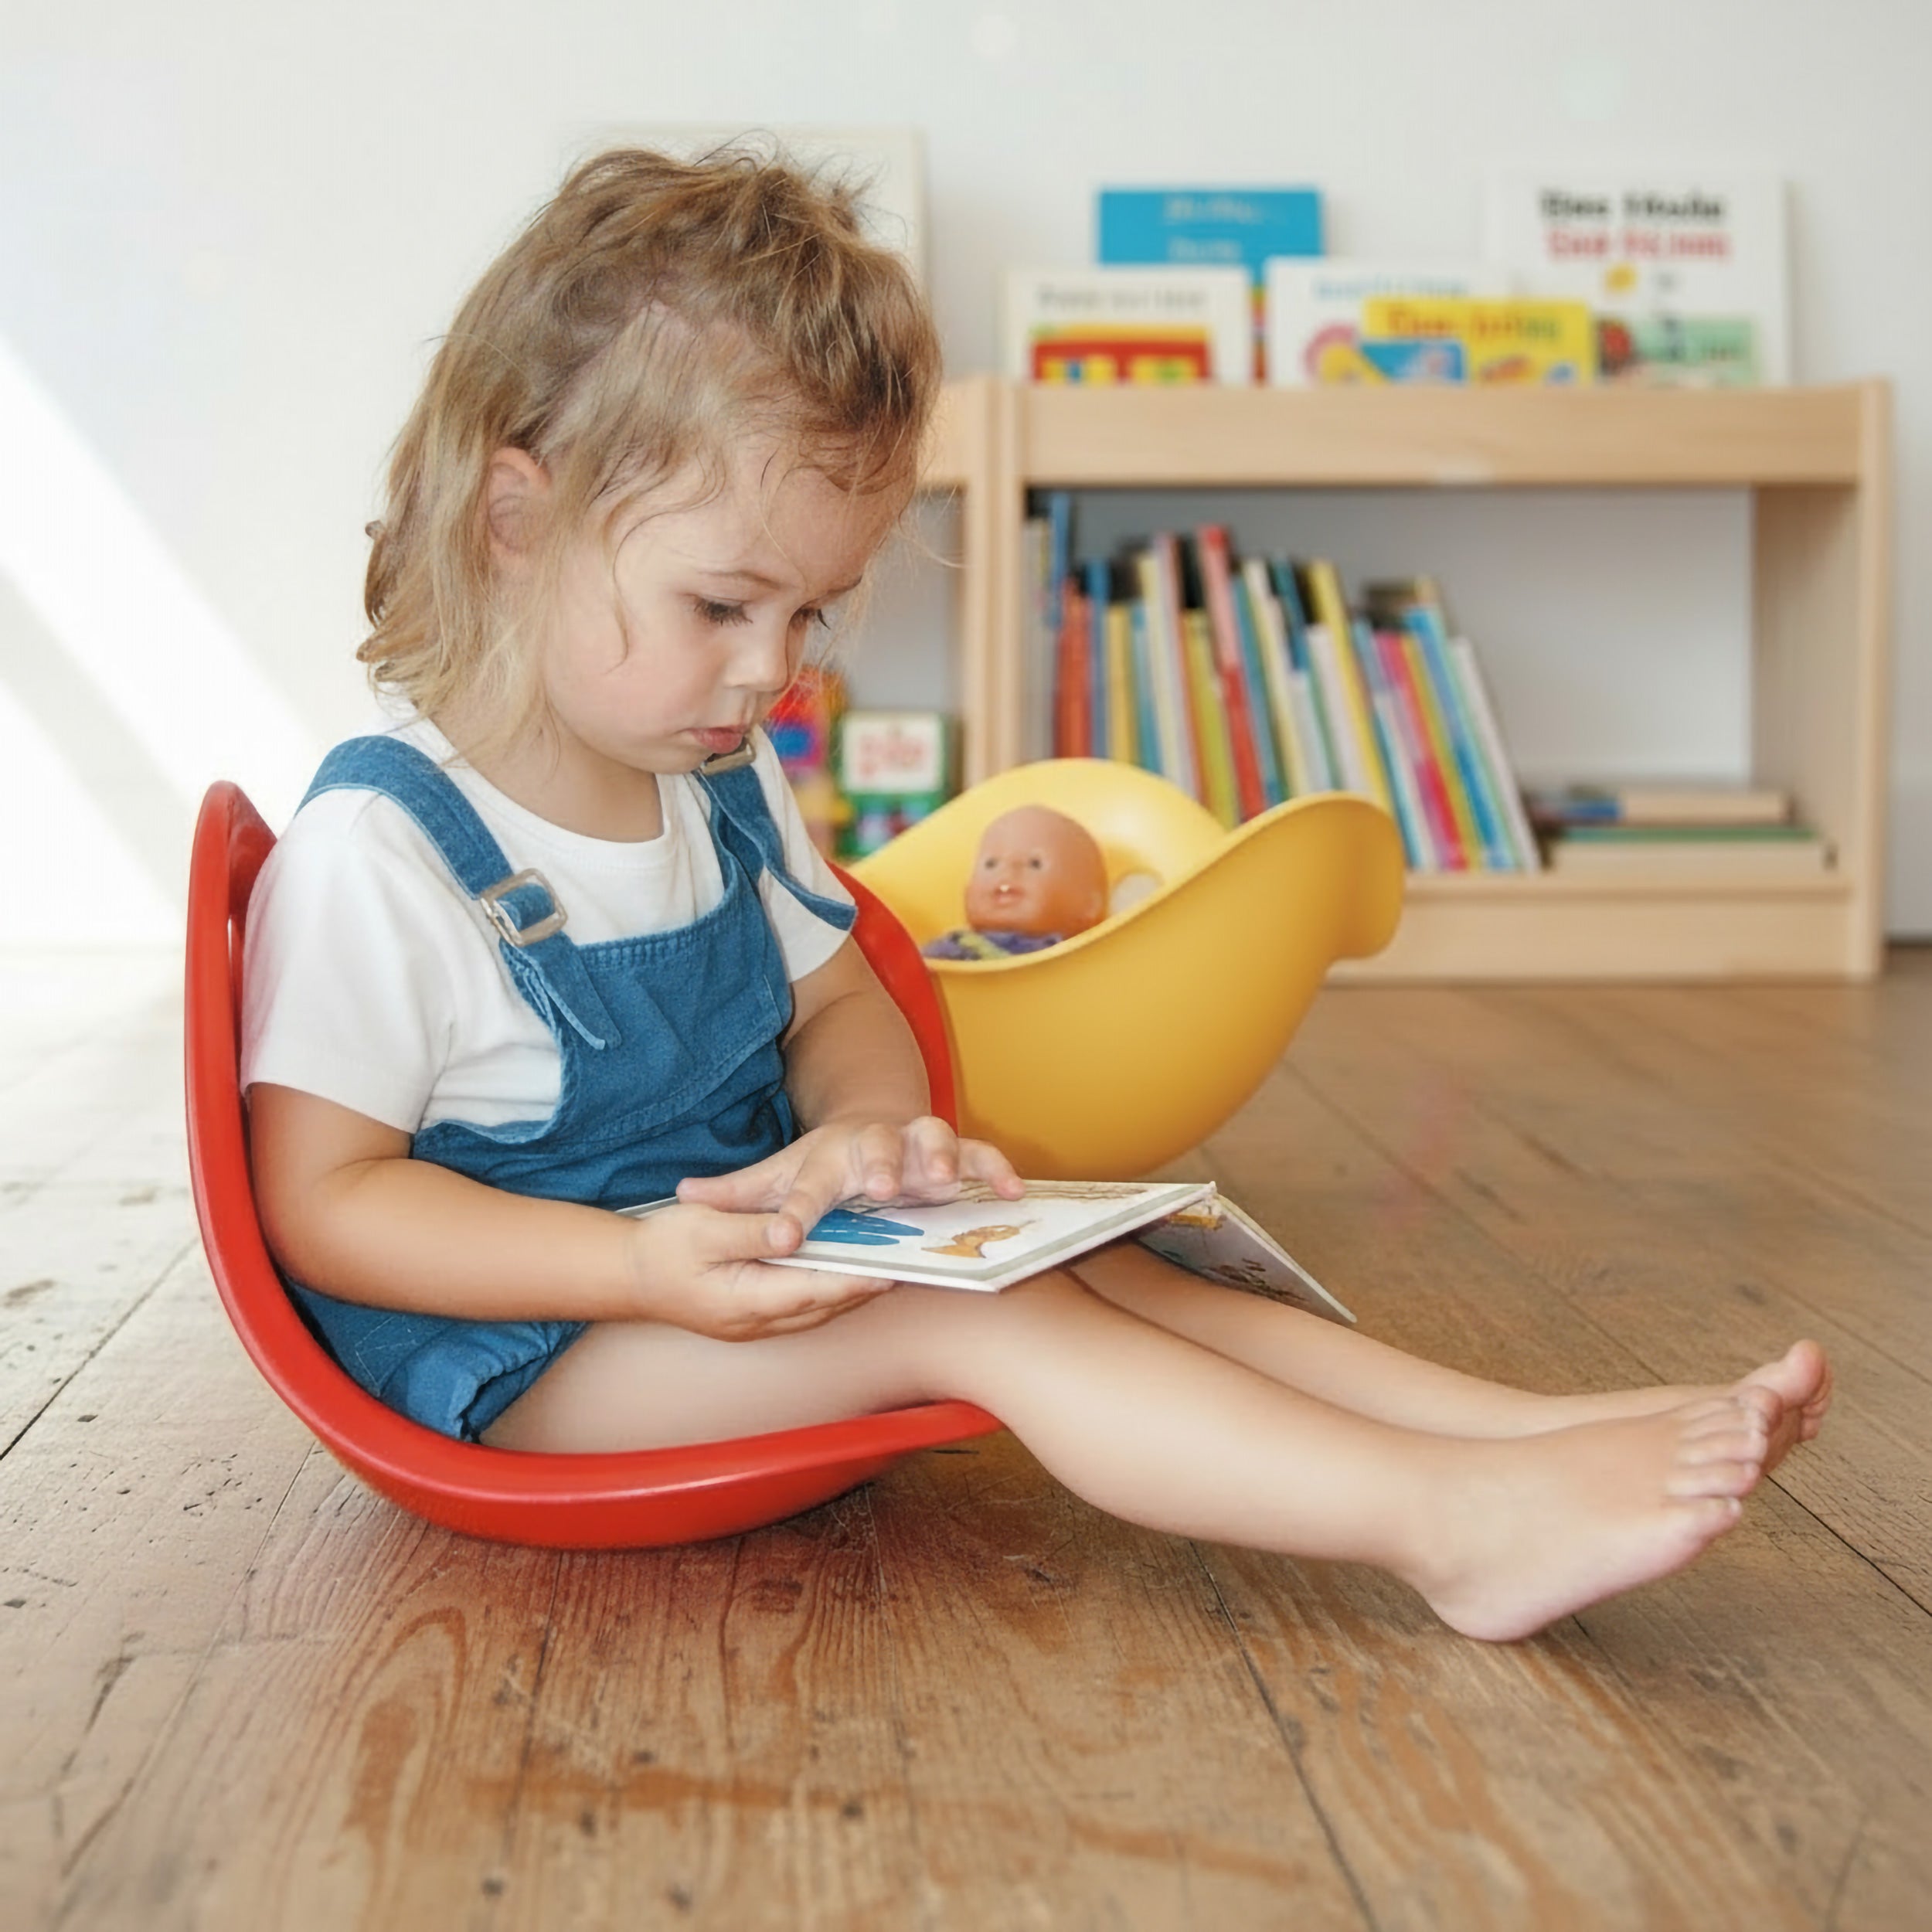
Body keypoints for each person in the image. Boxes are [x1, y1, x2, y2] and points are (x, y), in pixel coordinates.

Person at [243, 145, 1832, 1644]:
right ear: (514, 523)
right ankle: (1448, 1524)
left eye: (811, 613)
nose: (771, 672)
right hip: (528, 1356)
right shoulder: (383, 852)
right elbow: (324, 1206)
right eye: (723, 602)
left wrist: (861, 1127)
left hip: (715, 1263)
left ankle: (1531, 1428)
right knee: (971, 1320)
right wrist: (632, 1269)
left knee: (1091, 1256)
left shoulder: (711, 779)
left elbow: (840, 991)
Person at [923, 804, 1110, 959]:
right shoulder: (955, 947)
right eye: (991, 864)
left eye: (1034, 864)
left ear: (1089, 905)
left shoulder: (1084, 962)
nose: (1008, 871)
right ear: (966, 891)